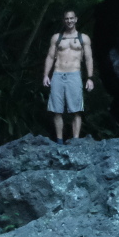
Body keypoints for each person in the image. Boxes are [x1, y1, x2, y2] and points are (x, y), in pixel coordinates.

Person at [42, 10, 95, 143]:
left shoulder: (83, 38)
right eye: (67, 19)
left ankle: (75, 141)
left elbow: (89, 59)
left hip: (74, 74)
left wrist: (90, 78)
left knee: (76, 110)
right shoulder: (57, 38)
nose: (69, 21)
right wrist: (46, 75)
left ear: (76, 19)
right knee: (56, 110)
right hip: (58, 74)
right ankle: (59, 141)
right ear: (64, 20)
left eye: (72, 18)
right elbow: (50, 57)